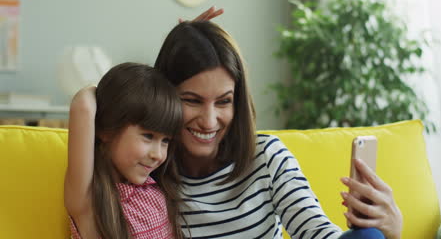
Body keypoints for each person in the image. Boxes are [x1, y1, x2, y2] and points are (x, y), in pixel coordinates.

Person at [153, 21, 403, 239]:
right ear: (164, 97)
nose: (209, 121)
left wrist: (389, 233)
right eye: (192, 100)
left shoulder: (267, 157)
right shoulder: (145, 173)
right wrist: (184, 44)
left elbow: (317, 232)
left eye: (223, 101)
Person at [64, 63, 185, 238]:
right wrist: (107, 94)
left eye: (165, 140)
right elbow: (83, 106)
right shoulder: (90, 202)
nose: (158, 155)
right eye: (148, 136)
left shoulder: (154, 191)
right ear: (106, 131)